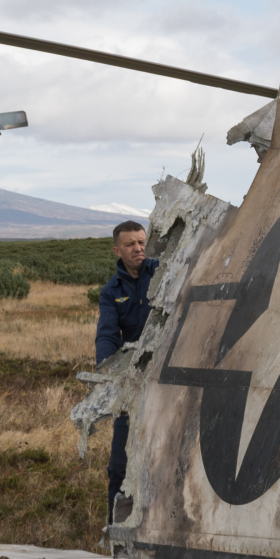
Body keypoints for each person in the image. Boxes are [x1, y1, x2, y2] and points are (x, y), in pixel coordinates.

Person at [94, 219, 153, 516]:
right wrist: (108, 371)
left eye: (141, 242)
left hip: (169, 379)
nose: (138, 248)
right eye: (130, 244)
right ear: (117, 250)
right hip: (133, 380)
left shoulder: (163, 273)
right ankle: (116, 534)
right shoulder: (111, 291)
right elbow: (107, 333)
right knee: (120, 465)